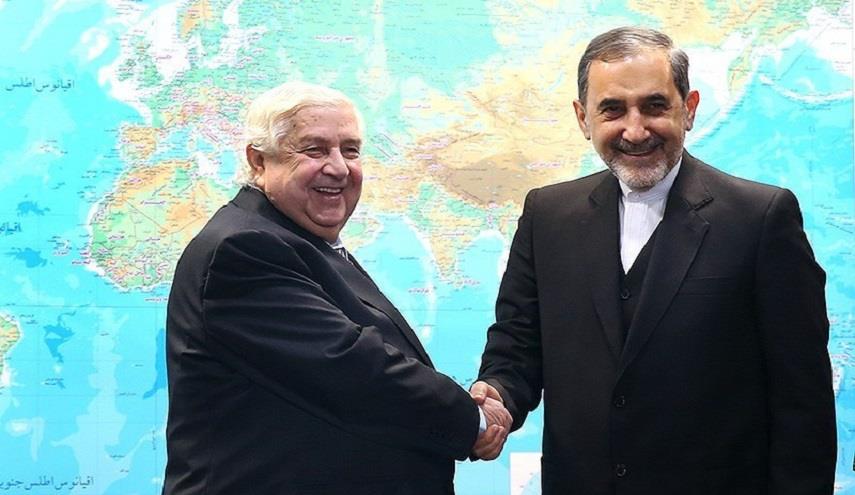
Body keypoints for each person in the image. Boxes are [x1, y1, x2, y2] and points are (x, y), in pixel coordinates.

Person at [471, 27, 836, 494]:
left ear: (690, 108)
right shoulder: (546, 216)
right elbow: (517, 349)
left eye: (655, 106)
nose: (635, 129)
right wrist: (498, 395)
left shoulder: (761, 218)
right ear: (583, 118)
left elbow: (802, 400)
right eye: (613, 109)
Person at [162, 82, 510, 495]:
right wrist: (474, 421)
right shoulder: (244, 249)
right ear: (258, 160)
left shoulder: (301, 241)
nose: (339, 168)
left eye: (350, 150)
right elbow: (352, 368)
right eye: (314, 150)